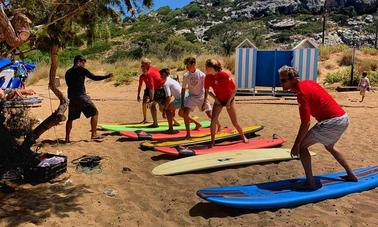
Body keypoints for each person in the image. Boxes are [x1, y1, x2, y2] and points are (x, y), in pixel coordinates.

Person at [278, 65, 357, 189]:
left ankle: (310, 182)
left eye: (283, 80)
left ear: (293, 79)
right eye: (280, 80)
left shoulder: (301, 94)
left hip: (333, 121)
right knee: (330, 147)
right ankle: (351, 175)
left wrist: (296, 144)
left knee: (302, 147)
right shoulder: (309, 82)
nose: (281, 83)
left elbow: (305, 123)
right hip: (343, 118)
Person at [65, 55, 113, 143]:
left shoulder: (67, 72)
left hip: (72, 97)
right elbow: (94, 77)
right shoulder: (81, 70)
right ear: (79, 61)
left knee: (70, 118)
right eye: (83, 62)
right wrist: (107, 76)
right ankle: (94, 135)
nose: (84, 64)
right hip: (81, 96)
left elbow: (69, 85)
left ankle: (67, 138)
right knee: (95, 112)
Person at [204, 59, 247, 147]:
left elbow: (234, 90)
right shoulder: (207, 77)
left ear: (213, 68)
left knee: (234, 122)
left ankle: (243, 136)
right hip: (219, 100)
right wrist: (215, 99)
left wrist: (228, 102)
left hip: (229, 99)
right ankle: (212, 142)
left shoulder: (224, 74)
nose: (206, 69)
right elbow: (207, 90)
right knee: (213, 120)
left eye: (207, 67)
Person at [180, 57, 220, 138]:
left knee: (209, 115)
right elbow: (183, 89)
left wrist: (205, 101)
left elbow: (206, 89)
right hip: (191, 97)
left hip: (202, 96)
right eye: (186, 65)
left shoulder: (201, 75)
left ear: (193, 64)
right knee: (185, 114)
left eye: (188, 65)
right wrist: (182, 103)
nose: (186, 67)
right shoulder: (186, 75)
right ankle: (188, 134)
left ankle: (219, 125)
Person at [137, 58, 166, 127]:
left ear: (147, 65)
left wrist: (151, 100)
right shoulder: (145, 74)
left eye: (143, 65)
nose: (141, 66)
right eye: (141, 65)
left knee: (160, 108)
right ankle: (147, 120)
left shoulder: (149, 73)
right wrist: (138, 95)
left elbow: (152, 88)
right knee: (152, 105)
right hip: (155, 88)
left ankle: (171, 120)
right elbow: (143, 86)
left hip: (160, 89)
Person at [159, 68, 184, 133]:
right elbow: (176, 92)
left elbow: (168, 97)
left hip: (181, 98)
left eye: (160, 75)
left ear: (164, 74)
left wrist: (164, 109)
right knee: (182, 114)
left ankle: (171, 129)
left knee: (167, 110)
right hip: (185, 96)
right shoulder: (171, 80)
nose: (160, 76)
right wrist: (173, 109)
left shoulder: (166, 83)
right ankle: (197, 124)